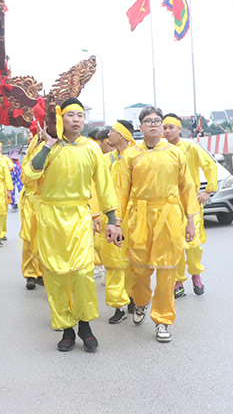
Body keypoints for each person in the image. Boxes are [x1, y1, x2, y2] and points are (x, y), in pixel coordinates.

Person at [25, 98, 121, 353]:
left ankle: (85, 325)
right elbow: (29, 174)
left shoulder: (91, 148)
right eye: (71, 115)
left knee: (81, 273)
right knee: (56, 275)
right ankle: (66, 328)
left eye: (80, 115)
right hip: (50, 217)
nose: (77, 119)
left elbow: (104, 185)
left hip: (78, 215)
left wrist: (112, 221)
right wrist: (47, 145)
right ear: (61, 119)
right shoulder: (48, 146)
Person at [113, 106, 197, 343]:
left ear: (162, 127)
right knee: (139, 269)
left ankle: (162, 320)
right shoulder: (130, 155)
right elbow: (121, 191)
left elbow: (187, 187)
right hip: (139, 215)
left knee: (167, 269)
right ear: (140, 127)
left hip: (169, 215)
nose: (153, 124)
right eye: (148, 121)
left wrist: (191, 220)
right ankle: (140, 302)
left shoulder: (175, 153)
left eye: (157, 121)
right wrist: (117, 222)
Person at [161, 113, 217, 298]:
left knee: (193, 244)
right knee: (174, 244)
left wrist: (208, 191)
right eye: (165, 127)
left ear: (179, 129)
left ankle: (196, 274)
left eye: (171, 127)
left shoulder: (190, 147)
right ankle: (178, 281)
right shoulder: (160, 149)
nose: (167, 131)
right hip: (169, 204)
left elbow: (210, 166)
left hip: (191, 202)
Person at [101, 121, 136, 324]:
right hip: (113, 216)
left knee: (132, 260)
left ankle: (132, 297)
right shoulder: (106, 160)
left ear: (121, 135)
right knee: (114, 261)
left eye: (112, 131)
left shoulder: (136, 157)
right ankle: (117, 305)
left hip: (135, 215)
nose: (109, 134)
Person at [19, 133, 43, 290]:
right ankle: (30, 274)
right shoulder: (29, 154)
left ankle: (42, 272)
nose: (31, 138)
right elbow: (25, 178)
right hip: (30, 201)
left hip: (49, 202)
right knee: (29, 237)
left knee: (45, 238)